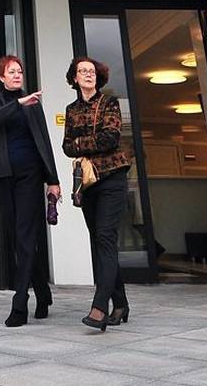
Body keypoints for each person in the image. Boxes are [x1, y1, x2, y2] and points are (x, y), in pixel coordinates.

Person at [0, 55, 61, 328]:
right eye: (11, 72)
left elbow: (44, 141)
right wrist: (19, 103)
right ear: (2, 78)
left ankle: (20, 303)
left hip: (31, 175)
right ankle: (43, 292)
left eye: (19, 71)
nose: (17, 75)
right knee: (19, 238)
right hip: (6, 176)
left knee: (26, 236)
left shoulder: (33, 105)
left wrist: (53, 180)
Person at [62, 57, 133, 331]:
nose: (88, 74)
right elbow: (67, 146)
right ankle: (121, 304)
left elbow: (110, 138)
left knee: (104, 237)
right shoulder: (71, 110)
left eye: (92, 71)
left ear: (98, 77)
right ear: (75, 78)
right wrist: (86, 144)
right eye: (83, 71)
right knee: (100, 242)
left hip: (112, 178)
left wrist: (81, 143)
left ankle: (100, 307)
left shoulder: (110, 103)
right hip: (88, 182)